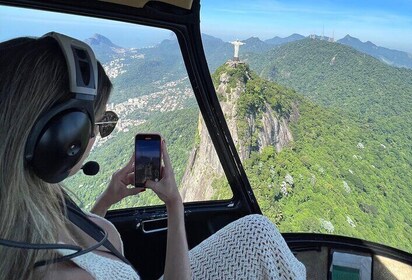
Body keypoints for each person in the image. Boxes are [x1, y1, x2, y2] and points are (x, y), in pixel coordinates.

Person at [0, 33, 305, 280]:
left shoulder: (36, 204)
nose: (94, 138)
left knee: (255, 230)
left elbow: (71, 240)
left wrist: (105, 201)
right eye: (98, 124)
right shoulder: (67, 275)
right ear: (65, 139)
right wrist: (174, 203)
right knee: (259, 232)